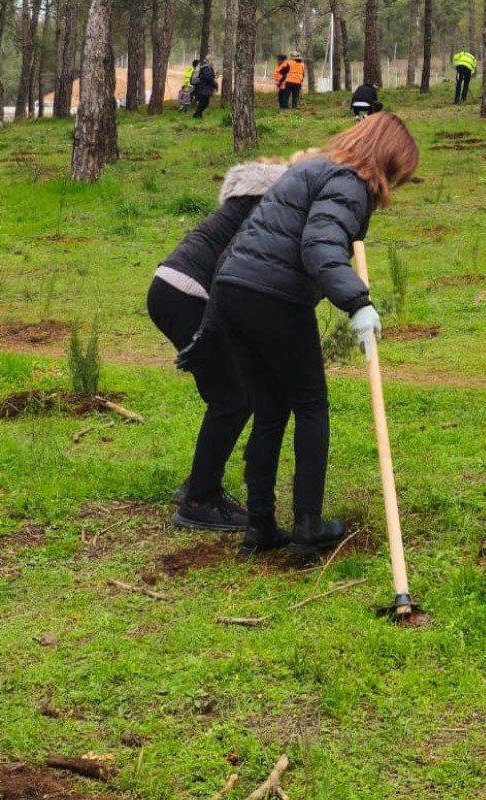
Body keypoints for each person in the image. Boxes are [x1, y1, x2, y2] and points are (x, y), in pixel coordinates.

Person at [207, 113, 418, 554]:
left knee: (269, 409)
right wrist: (358, 303)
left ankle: (260, 526)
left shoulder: (310, 167)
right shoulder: (349, 182)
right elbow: (319, 245)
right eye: (397, 175)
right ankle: (308, 523)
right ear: (386, 160)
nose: (392, 188)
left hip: (232, 290)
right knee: (310, 404)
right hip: (273, 298)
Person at [150, 159, 290, 531]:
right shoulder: (267, 205)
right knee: (232, 398)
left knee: (235, 394)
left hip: (171, 285)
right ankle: (199, 499)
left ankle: (197, 484)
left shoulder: (246, 200)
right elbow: (235, 266)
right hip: (188, 294)